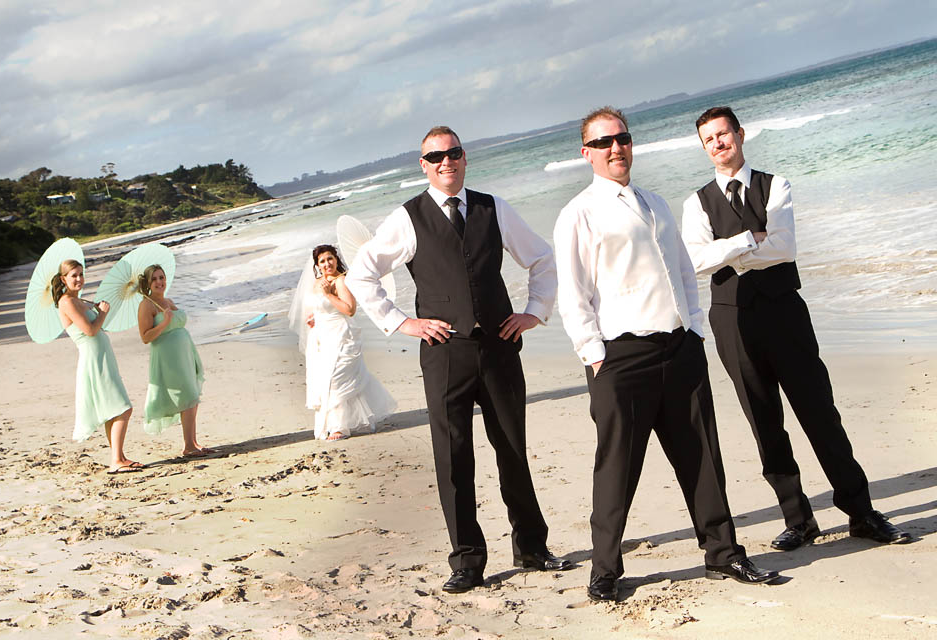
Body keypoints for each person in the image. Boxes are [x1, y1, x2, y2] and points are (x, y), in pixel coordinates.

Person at [554, 107, 779, 603]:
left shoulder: (655, 202)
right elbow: (572, 293)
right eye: (604, 142)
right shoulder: (579, 213)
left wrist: (694, 328)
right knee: (617, 467)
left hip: (678, 348)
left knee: (702, 455)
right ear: (587, 152)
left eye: (622, 138)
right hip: (620, 357)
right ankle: (605, 570)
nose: (616, 148)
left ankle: (723, 553)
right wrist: (594, 355)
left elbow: (682, 270)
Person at [345, 125, 571, 594]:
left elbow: (542, 258)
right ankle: (467, 561)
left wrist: (534, 311)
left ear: (465, 158)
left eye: (454, 153)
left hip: (500, 347)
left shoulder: (494, 208)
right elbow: (362, 274)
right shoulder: (408, 218)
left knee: (512, 450)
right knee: (453, 457)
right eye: (436, 157)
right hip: (445, 353)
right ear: (423, 166)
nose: (446, 161)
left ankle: (532, 547)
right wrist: (401, 322)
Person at [681, 105, 910, 550]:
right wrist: (748, 241)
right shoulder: (696, 203)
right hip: (731, 320)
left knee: (820, 413)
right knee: (763, 421)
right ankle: (798, 519)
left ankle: (861, 512)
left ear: (740, 134)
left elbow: (784, 248)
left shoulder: (776, 185)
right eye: (709, 139)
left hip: (785, 312)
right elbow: (694, 260)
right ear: (704, 147)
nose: (718, 143)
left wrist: (727, 253)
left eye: (724, 134)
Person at [293, 244, 396, 441]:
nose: (327, 264)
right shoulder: (317, 283)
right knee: (324, 380)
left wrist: (329, 294)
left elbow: (350, 310)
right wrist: (313, 317)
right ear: (317, 265)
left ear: (336, 259)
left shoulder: (342, 280)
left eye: (330, 259)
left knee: (337, 379)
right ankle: (334, 424)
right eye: (322, 261)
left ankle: (339, 427)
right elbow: (317, 307)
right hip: (321, 337)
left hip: (341, 334)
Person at [54, 259, 141, 474]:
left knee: (113, 409)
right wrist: (102, 313)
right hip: (93, 359)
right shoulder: (67, 302)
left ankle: (119, 457)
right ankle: (116, 460)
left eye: (81, 274)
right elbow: (90, 331)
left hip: (102, 357)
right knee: (123, 408)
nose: (79, 279)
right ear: (63, 279)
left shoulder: (79, 300)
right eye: (74, 275)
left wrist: (97, 309)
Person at [137, 264, 210, 457]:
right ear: (148, 283)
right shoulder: (146, 305)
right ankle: (188, 446)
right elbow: (145, 337)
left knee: (192, 396)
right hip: (168, 358)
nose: (159, 282)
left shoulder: (168, 301)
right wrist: (165, 323)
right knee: (186, 395)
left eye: (161, 277)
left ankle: (194, 442)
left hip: (184, 354)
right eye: (154, 279)